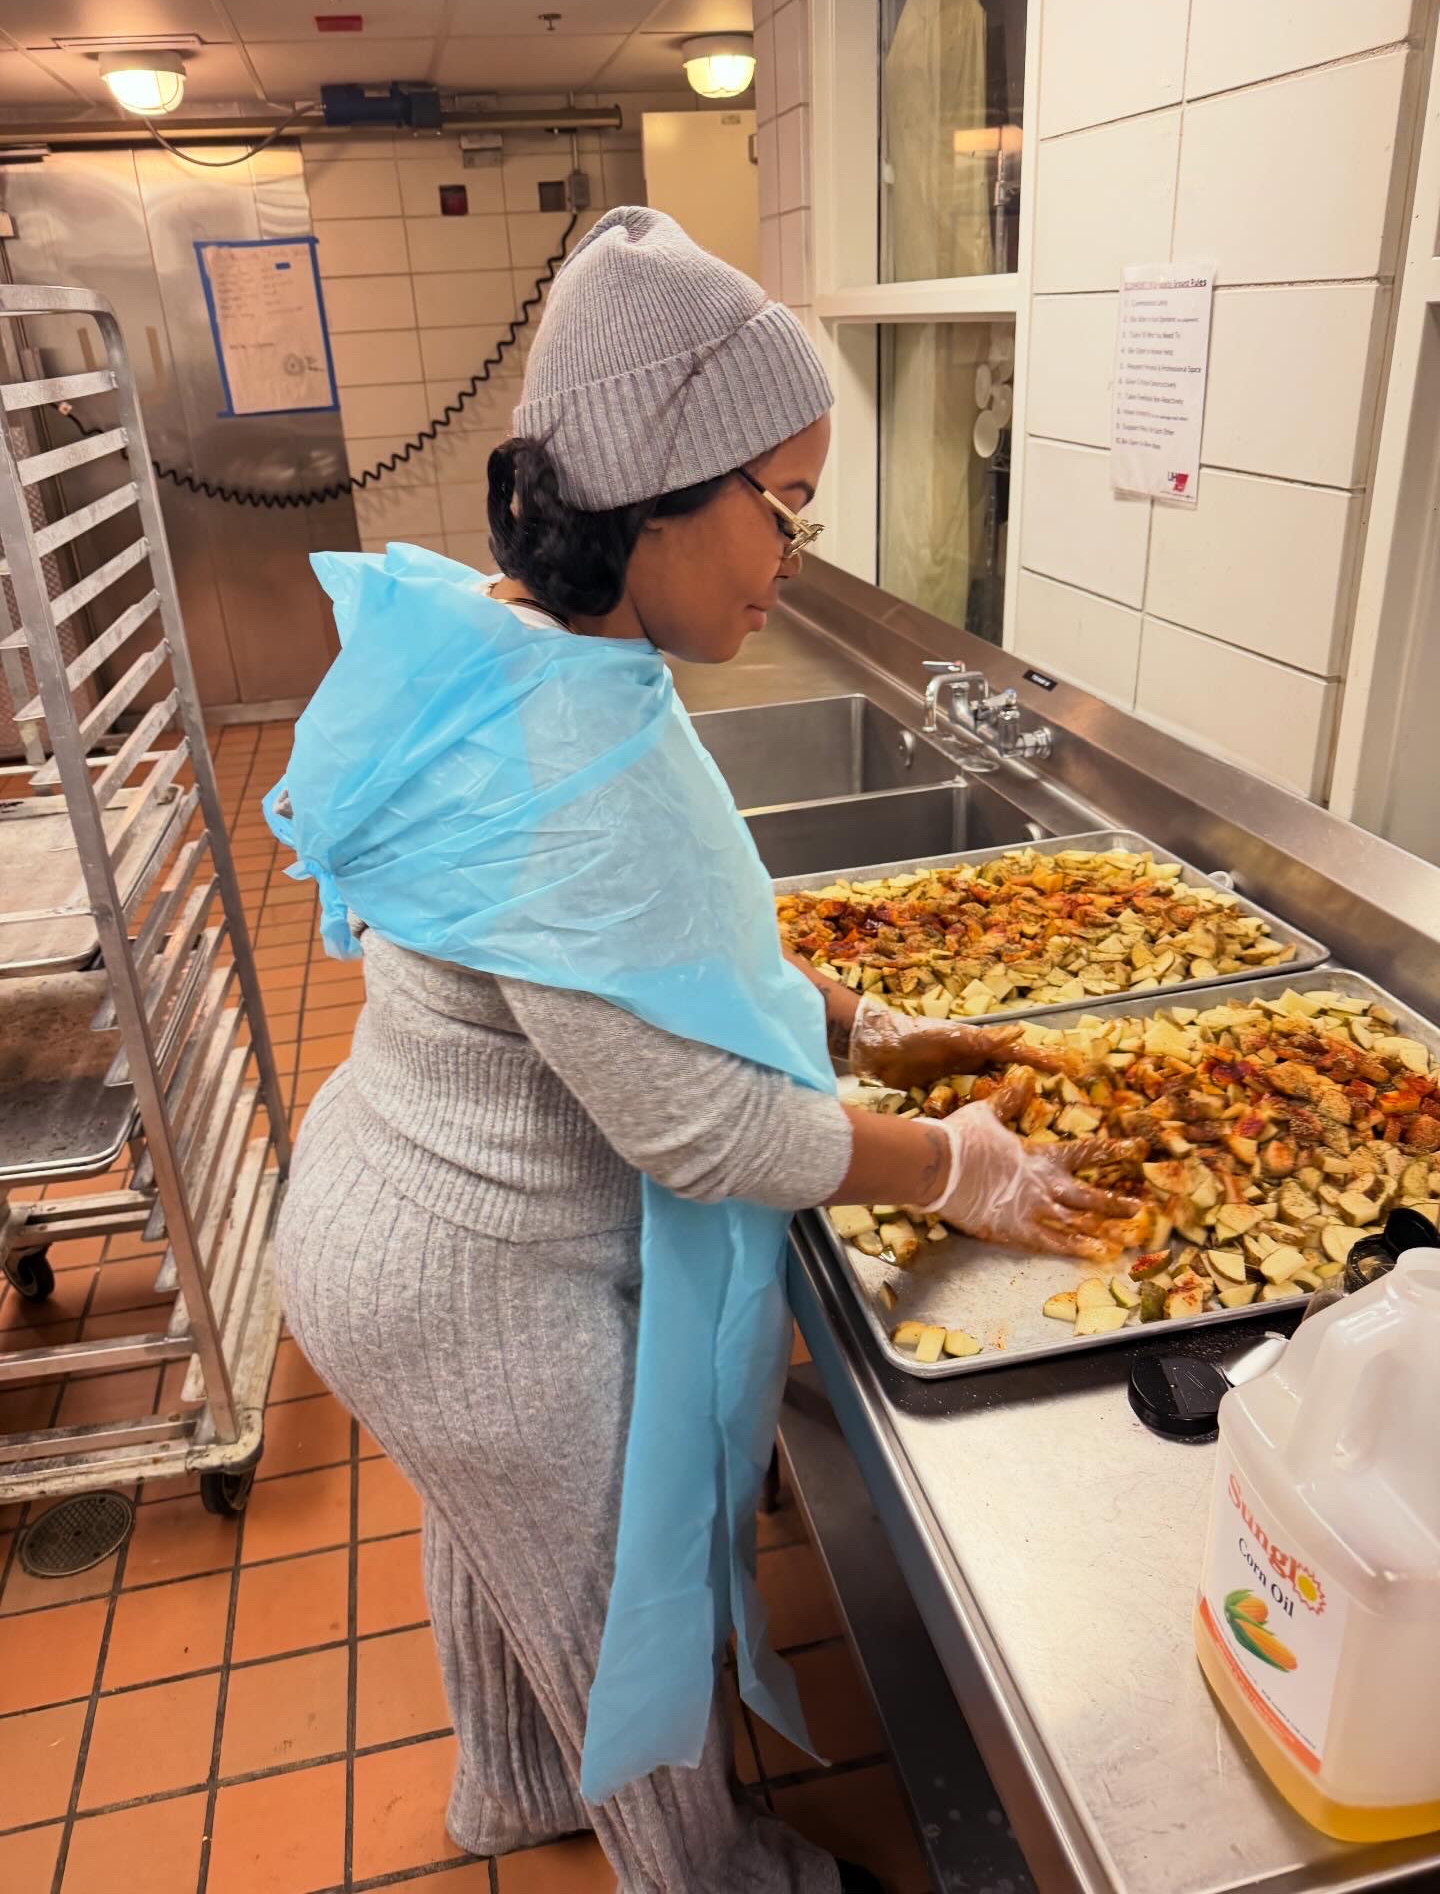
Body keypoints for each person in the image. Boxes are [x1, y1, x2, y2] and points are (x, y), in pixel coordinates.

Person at [269, 208, 1137, 1894]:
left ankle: (511, 1793)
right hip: (465, 1277)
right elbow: (707, 1130)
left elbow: (673, 954)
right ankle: (716, 1877)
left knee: (512, 1549)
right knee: (619, 1616)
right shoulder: (559, 759)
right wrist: (963, 1169)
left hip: (401, 1219)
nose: (795, 556)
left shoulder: (546, 653)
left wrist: (860, 1026)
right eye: (786, 505)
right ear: (658, 491)